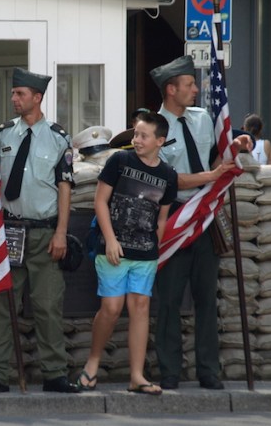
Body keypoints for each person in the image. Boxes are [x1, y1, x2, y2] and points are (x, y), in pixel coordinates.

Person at [0, 67, 79, 394]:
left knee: (47, 305)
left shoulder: (59, 139)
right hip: (9, 231)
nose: (14, 98)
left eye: (20, 94)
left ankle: (55, 374)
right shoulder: (2, 135)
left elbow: (65, 188)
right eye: (14, 93)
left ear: (37, 97)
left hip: (46, 233)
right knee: (3, 305)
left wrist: (61, 232)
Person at [151, 55, 250, 391]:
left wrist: (234, 146)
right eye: (190, 84)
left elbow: (215, 157)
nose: (196, 89)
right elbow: (168, 179)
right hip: (174, 222)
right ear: (171, 89)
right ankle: (170, 370)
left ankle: (209, 369)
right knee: (168, 302)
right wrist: (212, 175)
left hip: (205, 220)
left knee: (208, 297)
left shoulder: (204, 120)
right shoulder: (153, 129)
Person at [75, 111, 177, 395]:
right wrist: (109, 240)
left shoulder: (168, 175)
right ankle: (92, 365)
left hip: (145, 254)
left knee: (140, 308)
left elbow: (161, 218)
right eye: (135, 134)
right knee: (111, 308)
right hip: (113, 250)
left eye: (143, 136)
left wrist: (153, 249)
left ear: (160, 140)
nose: (137, 140)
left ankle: (136, 375)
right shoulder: (119, 160)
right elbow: (100, 202)